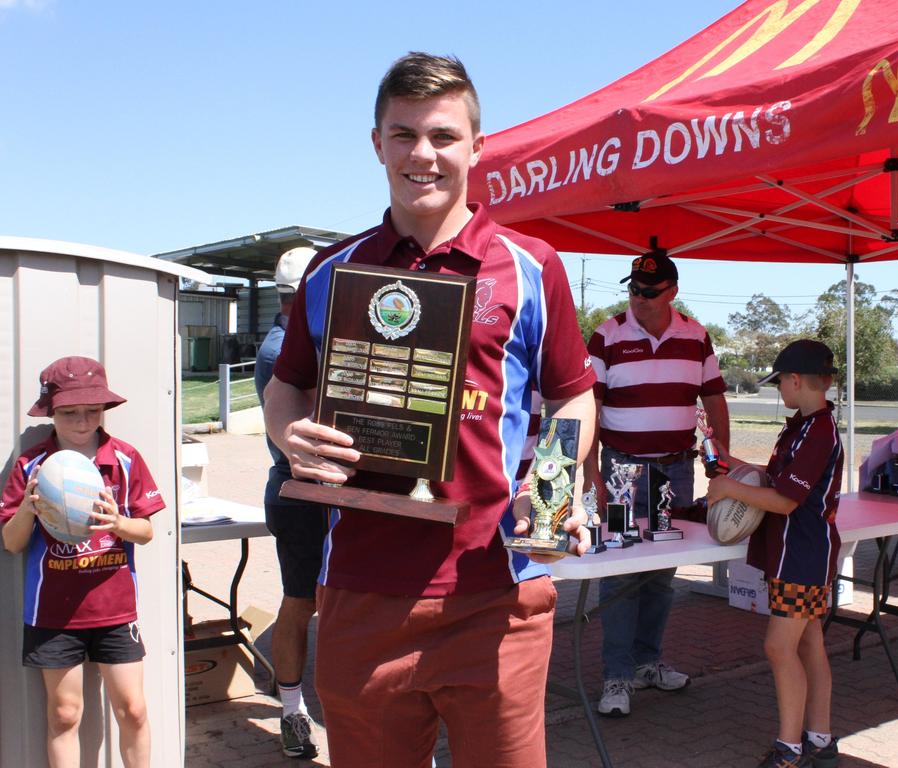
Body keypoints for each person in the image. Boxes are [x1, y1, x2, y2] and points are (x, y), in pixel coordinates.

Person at [262, 52, 596, 767]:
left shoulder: (532, 266)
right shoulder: (332, 271)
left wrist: (557, 487)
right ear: (377, 143)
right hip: (360, 592)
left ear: (477, 147)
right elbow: (286, 382)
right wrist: (287, 432)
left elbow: (572, 389)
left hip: (495, 592)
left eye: (444, 136)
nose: (424, 154)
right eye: (405, 133)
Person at [582, 249, 730, 717]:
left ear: (672, 292)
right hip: (622, 470)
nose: (638, 299)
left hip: (677, 470)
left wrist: (720, 457)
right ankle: (617, 676)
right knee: (621, 574)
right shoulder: (607, 334)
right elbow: (589, 406)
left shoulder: (696, 336)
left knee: (663, 574)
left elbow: (714, 398)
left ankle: (648, 662)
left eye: (649, 292)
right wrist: (591, 475)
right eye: (633, 289)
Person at [0, 356, 164, 768]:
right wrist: (30, 510)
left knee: (134, 709)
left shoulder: (124, 459)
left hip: (115, 609)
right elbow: (11, 542)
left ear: (104, 409)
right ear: (50, 412)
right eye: (69, 412)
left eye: (92, 410)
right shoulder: (31, 465)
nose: (82, 420)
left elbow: (147, 532)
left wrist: (119, 523)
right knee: (64, 714)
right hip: (53, 613)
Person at [707, 339, 843, 768]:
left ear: (797, 380)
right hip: (799, 554)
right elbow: (779, 478)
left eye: (780, 380)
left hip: (800, 555)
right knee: (810, 647)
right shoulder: (803, 426)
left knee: (779, 649)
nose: (778, 389)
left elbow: (785, 501)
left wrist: (730, 489)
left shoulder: (818, 430)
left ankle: (789, 749)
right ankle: (820, 741)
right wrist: (737, 467)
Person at [254, 246, 325, 759]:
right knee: (302, 604)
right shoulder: (284, 351)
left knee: (324, 602)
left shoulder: (301, 341)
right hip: (301, 495)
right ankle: (292, 711)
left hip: (318, 494)